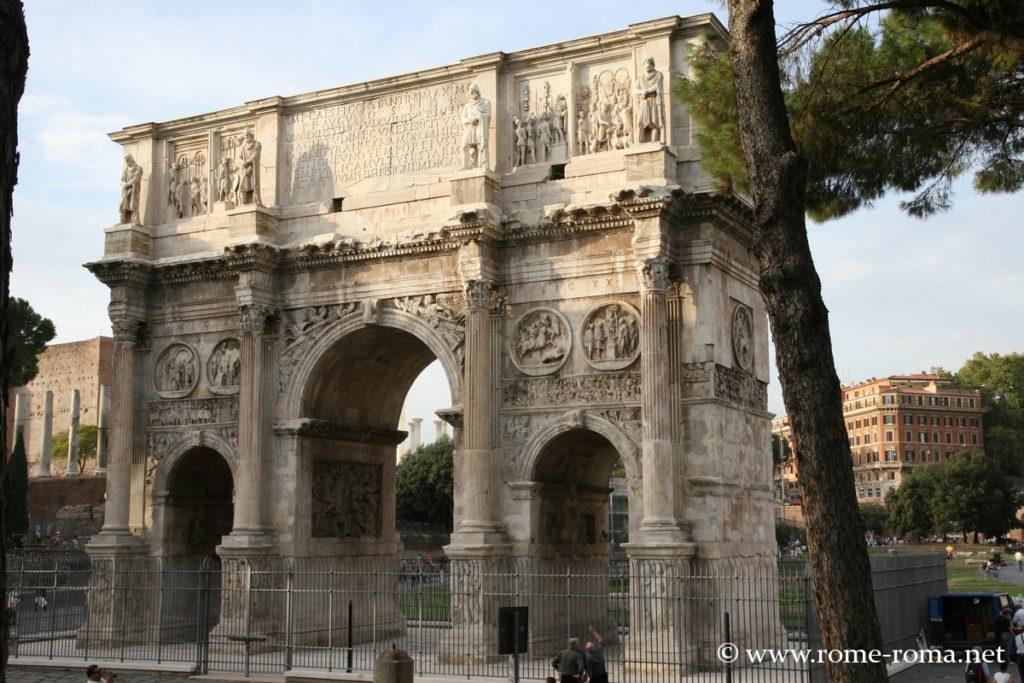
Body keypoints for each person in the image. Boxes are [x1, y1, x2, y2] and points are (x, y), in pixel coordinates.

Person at [460, 82, 491, 170]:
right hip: (469, 128)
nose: (472, 93)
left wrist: (478, 118)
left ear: (478, 92)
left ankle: (482, 165)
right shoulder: (467, 106)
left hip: (479, 127)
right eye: (471, 91)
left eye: (474, 91)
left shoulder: (485, 103)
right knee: (464, 146)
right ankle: (465, 165)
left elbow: (487, 115)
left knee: (480, 146)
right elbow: (463, 119)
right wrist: (469, 120)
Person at [634, 56, 664, 144]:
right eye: (646, 64)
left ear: (653, 65)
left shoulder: (658, 75)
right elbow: (634, 89)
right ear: (644, 66)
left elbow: (657, 86)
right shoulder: (640, 80)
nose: (648, 66)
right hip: (643, 103)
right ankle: (639, 143)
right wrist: (642, 91)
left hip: (653, 101)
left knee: (654, 123)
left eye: (650, 64)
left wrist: (646, 91)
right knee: (639, 122)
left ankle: (654, 142)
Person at [119, 154, 143, 225]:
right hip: (125, 190)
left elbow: (136, 179)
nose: (126, 163)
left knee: (133, 204)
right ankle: (123, 221)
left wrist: (127, 184)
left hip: (134, 189)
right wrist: (123, 184)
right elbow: (121, 180)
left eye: (127, 161)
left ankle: (135, 221)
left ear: (130, 160)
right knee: (123, 205)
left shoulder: (138, 168)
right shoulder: (125, 170)